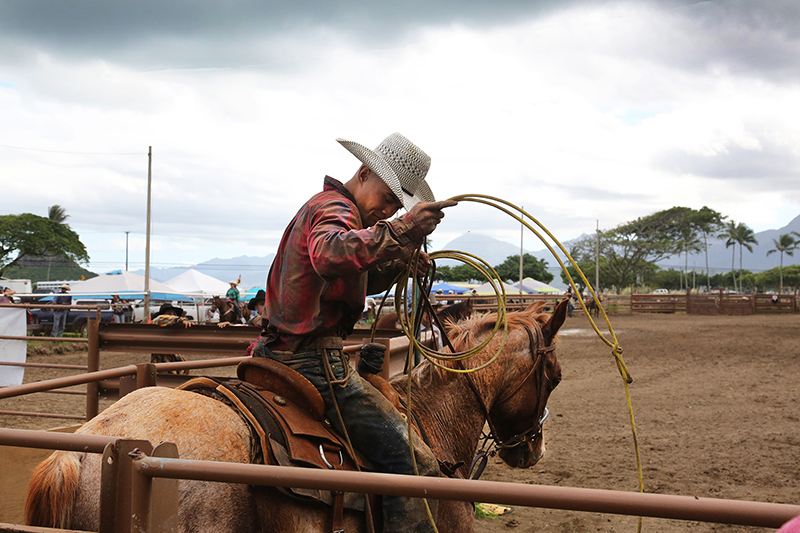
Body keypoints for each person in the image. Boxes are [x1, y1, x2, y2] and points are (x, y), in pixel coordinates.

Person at [256, 132, 456, 533]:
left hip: (274, 353)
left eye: (396, 207)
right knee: (411, 461)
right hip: (313, 365)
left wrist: (398, 258)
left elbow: (349, 275)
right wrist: (402, 229)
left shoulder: (333, 211)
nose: (387, 212)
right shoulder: (337, 209)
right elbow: (330, 253)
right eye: (386, 200)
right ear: (363, 173)